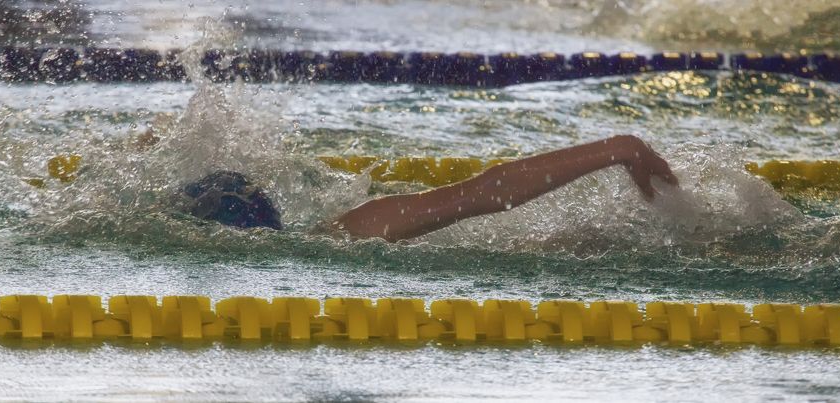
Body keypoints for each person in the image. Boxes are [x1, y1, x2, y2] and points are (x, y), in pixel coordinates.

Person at [183, 134, 678, 242]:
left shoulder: (352, 231)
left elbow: (488, 192)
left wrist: (621, 149)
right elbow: (486, 191)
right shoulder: (344, 231)